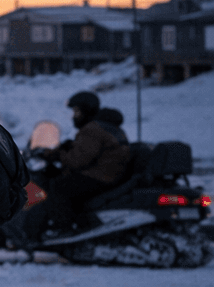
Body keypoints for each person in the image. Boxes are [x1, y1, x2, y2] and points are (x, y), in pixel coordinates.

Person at [8, 91, 133, 244]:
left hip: (99, 176)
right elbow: (88, 152)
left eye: (77, 111)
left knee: (57, 188)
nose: (74, 116)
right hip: (110, 174)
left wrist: (55, 155)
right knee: (63, 181)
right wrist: (65, 148)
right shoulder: (108, 128)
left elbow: (77, 160)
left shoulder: (93, 129)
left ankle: (65, 229)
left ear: (87, 110)